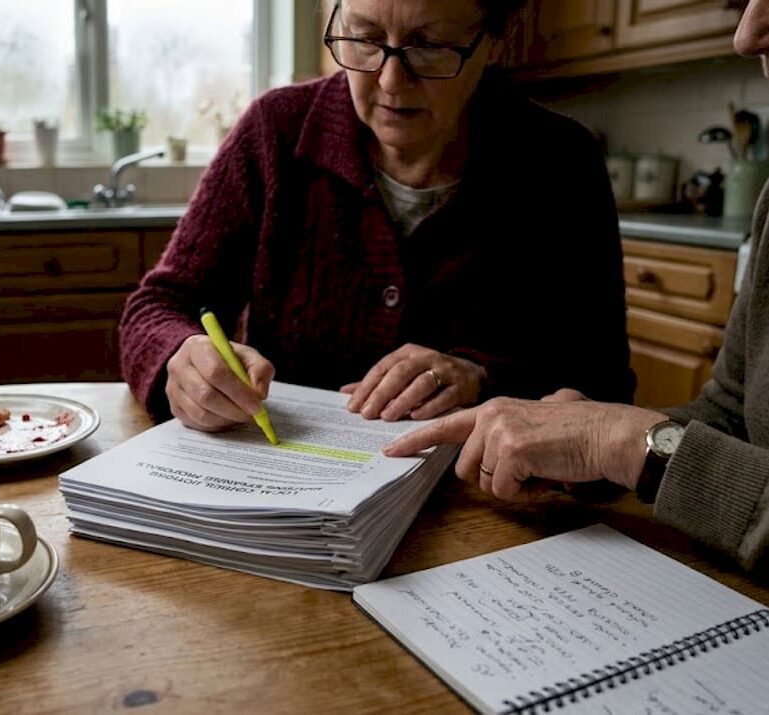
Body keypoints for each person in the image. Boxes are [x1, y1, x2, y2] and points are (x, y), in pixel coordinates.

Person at [120, 0, 634, 431]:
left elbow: (603, 383)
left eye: (428, 46)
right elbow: (159, 306)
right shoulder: (275, 132)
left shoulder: (562, 162)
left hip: (483, 503)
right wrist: (181, 358)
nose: (390, 80)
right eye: (363, 38)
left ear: (494, 42)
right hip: (284, 489)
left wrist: (484, 378)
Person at [386, 0, 769, 574]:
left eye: (429, 46)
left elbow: (616, 399)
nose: (747, 34)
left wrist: (626, 443)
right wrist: (587, 448)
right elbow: (731, 413)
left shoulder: (557, 156)